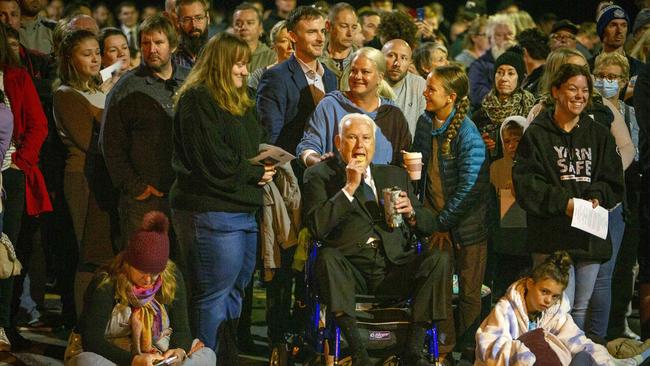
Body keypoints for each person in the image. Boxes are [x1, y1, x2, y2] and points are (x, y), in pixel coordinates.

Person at [303, 113, 450, 365]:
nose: (360, 145)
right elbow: (317, 228)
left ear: (374, 144)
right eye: (352, 138)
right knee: (326, 257)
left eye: (366, 138)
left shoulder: (394, 175)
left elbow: (429, 224)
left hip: (394, 267)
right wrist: (349, 188)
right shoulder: (319, 176)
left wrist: (412, 213)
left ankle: (413, 350)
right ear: (339, 143)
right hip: (350, 272)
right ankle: (358, 352)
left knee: (438, 259)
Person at [171, 32, 275, 361]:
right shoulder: (198, 100)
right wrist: (254, 173)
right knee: (212, 295)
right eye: (239, 65)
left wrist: (265, 163)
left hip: (244, 211)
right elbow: (213, 161)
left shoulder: (242, 101)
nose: (245, 72)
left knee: (236, 292)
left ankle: (224, 356)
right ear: (219, 65)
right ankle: (205, 357)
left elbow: (246, 151)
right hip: (211, 211)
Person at [513, 63, 625, 335]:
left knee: (581, 308)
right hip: (552, 236)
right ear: (555, 91)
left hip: (588, 236)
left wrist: (598, 195)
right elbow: (527, 184)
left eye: (585, 90)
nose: (580, 96)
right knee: (556, 308)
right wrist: (564, 202)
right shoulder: (538, 134)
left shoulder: (598, 134)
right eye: (572, 89)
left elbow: (613, 180)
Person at [411, 64, 489, 362]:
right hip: (435, 223)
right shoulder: (424, 122)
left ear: (451, 96)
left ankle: (468, 350)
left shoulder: (468, 136)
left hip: (466, 225)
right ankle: (443, 348)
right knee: (439, 285)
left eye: (432, 89)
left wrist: (443, 223)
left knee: (470, 293)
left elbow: (470, 189)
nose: (425, 93)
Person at [71, 211, 216, 366]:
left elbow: (182, 329)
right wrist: (133, 361)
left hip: (157, 353)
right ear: (128, 263)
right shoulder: (106, 281)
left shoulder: (171, 277)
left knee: (207, 355)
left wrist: (178, 351)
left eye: (154, 273)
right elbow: (92, 339)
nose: (148, 279)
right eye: (141, 271)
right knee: (86, 361)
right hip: (115, 355)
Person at [100, 15, 189, 243]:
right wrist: (135, 187)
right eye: (146, 43)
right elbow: (109, 143)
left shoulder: (190, 80)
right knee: (143, 267)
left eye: (159, 43)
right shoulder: (127, 86)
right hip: (145, 199)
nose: (152, 49)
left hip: (185, 195)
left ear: (173, 45)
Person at [475, 251, 640, 366]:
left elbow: (577, 340)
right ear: (530, 284)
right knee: (536, 339)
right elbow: (489, 346)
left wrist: (601, 359)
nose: (548, 300)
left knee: (585, 357)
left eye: (555, 296)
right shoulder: (506, 309)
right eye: (544, 291)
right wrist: (522, 354)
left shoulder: (555, 313)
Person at [590, 52, 640, 341]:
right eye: (601, 75)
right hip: (596, 197)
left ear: (623, 82)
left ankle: (612, 329)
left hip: (624, 199)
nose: (605, 82)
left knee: (617, 269)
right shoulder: (592, 109)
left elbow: (633, 152)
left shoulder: (631, 113)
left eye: (612, 77)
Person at [297, 47, 411, 168]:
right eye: (353, 71)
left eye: (365, 72)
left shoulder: (392, 113)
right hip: (337, 183)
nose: (357, 76)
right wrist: (317, 161)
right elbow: (307, 147)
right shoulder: (330, 105)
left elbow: (404, 155)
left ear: (380, 77)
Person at [256, 6, 337, 162]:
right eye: (312, 32)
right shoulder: (276, 77)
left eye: (322, 31)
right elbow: (270, 136)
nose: (320, 39)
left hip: (325, 169)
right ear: (293, 36)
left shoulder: (330, 76)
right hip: (293, 170)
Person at [473, 49, 536, 161]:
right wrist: (479, 144)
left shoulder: (531, 108)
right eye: (500, 73)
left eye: (511, 73)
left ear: (520, 77)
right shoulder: (481, 113)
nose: (504, 78)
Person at [468, 13, 516, 111]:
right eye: (499, 35)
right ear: (491, 39)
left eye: (510, 34)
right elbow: (477, 96)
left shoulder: (525, 62)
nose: (506, 39)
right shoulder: (479, 66)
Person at [381, 38, 426, 139]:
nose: (397, 63)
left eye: (404, 58)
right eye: (391, 56)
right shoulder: (369, 82)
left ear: (410, 62)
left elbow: (424, 130)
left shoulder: (419, 85)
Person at [247, 20, 292, 91]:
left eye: (294, 41)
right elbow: (249, 101)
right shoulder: (260, 75)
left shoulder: (308, 75)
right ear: (273, 45)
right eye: (284, 41)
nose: (291, 46)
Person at [233, 2, 275, 75]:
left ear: (260, 27)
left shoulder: (271, 57)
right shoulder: (223, 54)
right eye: (238, 24)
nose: (244, 27)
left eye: (250, 23)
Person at [319, 2, 357, 83]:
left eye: (354, 27)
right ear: (328, 26)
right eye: (344, 26)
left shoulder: (365, 60)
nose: (350, 33)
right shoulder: (314, 60)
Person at [172, 0, 209, 69]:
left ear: (208, 18)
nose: (194, 25)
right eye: (187, 19)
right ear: (178, 22)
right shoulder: (171, 58)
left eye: (199, 18)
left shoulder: (218, 52)